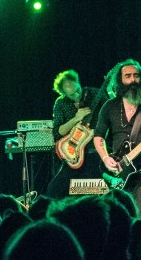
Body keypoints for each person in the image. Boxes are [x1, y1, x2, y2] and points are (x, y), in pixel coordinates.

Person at [92, 59, 141, 219]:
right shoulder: (110, 106)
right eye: (128, 76)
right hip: (119, 169)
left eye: (136, 76)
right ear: (120, 81)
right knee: (118, 215)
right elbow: (98, 135)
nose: (133, 80)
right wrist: (105, 158)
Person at [44, 69, 113, 199]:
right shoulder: (61, 103)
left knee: (91, 192)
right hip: (73, 154)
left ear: (78, 82)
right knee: (54, 190)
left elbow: (112, 115)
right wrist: (76, 118)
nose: (76, 95)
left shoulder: (96, 94)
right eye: (71, 94)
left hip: (93, 152)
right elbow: (58, 132)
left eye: (77, 90)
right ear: (64, 94)